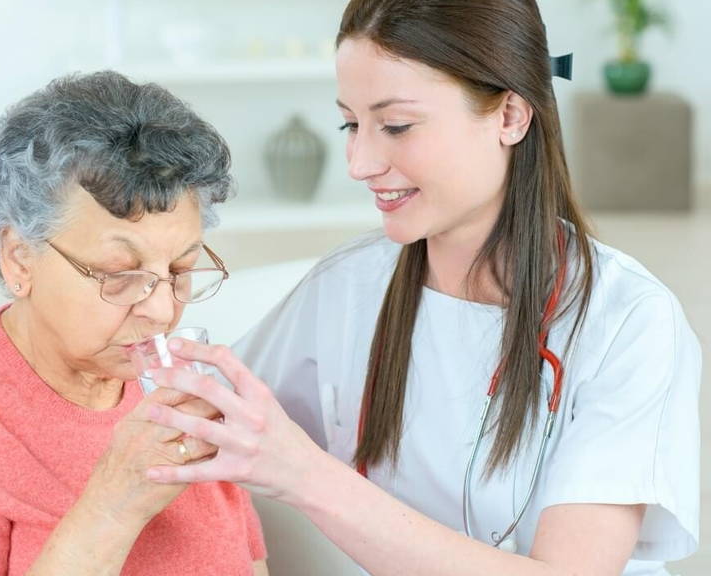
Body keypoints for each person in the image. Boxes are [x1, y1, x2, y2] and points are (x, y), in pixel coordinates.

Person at [144, 1, 702, 575]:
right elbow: (205, 416)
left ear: (511, 116)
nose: (359, 162)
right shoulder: (348, 286)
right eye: (351, 124)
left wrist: (305, 475)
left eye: (397, 126)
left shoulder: (629, 318)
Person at [0, 71, 269, 576]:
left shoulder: (177, 394)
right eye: (118, 274)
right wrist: (113, 506)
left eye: (179, 269)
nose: (160, 310)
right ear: (19, 258)